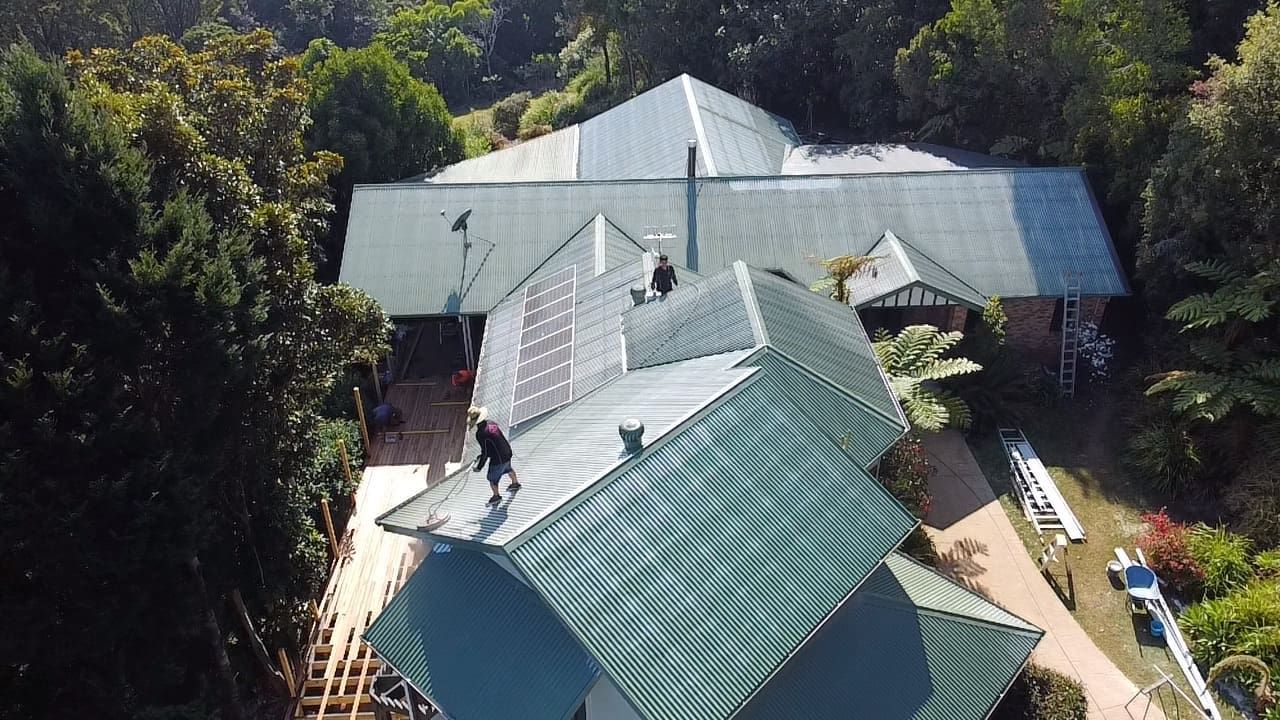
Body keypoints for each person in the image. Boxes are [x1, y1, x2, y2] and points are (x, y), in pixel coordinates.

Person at [467, 406, 520, 505]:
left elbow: (485, 452)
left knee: (492, 479)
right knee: (508, 468)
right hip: (507, 452)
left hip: (498, 459)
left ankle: (496, 496)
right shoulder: (491, 423)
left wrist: (479, 467)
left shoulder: (481, 433)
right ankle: (515, 483)